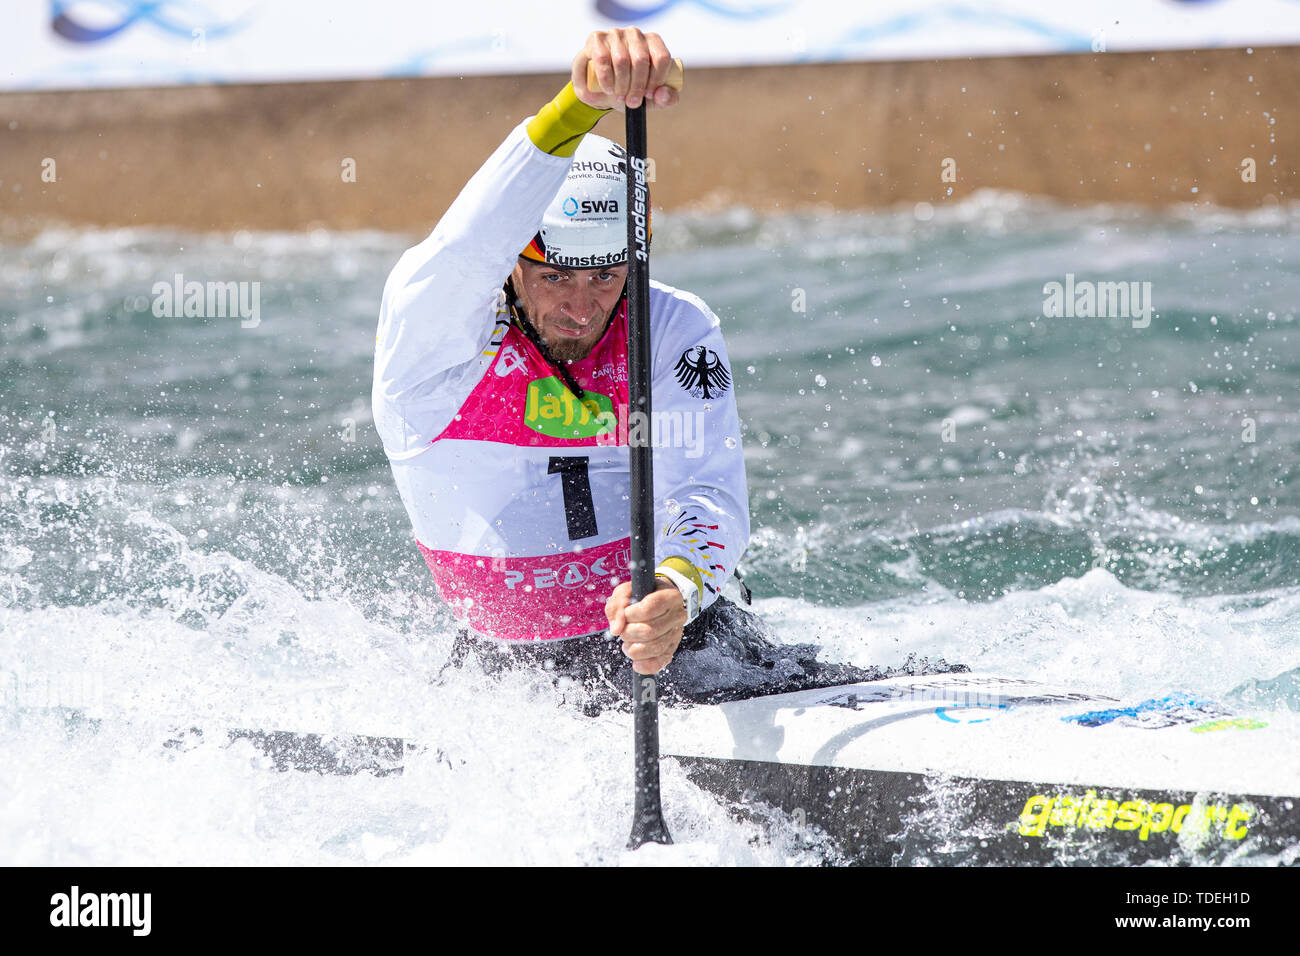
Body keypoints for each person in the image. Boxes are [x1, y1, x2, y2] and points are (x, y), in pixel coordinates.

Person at [372, 29, 948, 712]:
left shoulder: (669, 328)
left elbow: (706, 492)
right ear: (514, 262)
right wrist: (581, 104)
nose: (582, 308)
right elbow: (464, 241)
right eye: (556, 276)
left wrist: (674, 589)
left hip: (689, 641)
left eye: (607, 276)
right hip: (508, 676)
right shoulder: (437, 348)